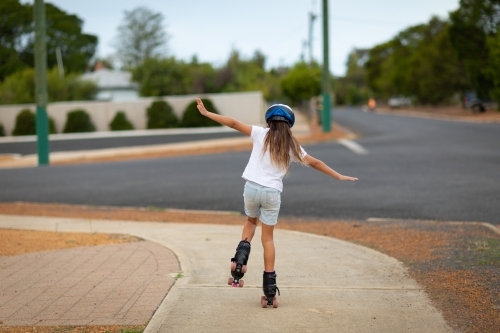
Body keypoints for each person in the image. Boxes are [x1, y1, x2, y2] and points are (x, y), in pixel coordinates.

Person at [196, 98, 358, 308]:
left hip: (252, 189)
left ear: (268, 121)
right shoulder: (293, 145)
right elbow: (316, 163)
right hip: (272, 193)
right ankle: (270, 292)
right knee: (268, 239)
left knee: (250, 223)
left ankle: (239, 264)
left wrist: (208, 113)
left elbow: (234, 123)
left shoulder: (260, 134)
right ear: (289, 124)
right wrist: (338, 176)